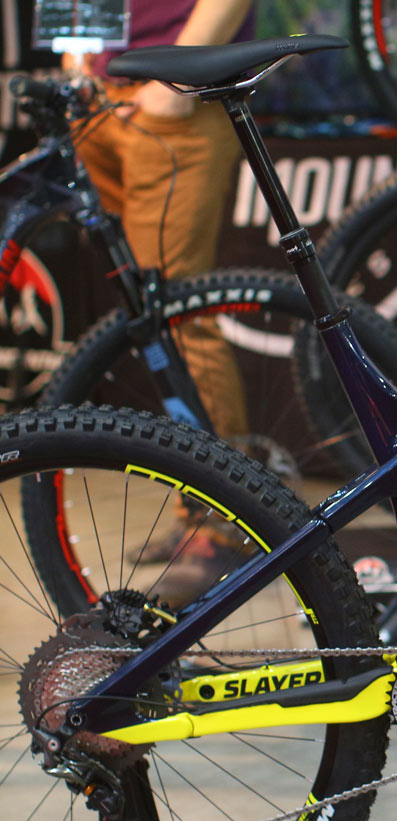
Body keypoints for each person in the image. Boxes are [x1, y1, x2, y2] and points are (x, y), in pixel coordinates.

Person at [67, 0, 257, 603]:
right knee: (145, 316)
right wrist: (77, 55)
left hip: (174, 96)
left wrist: (179, 78)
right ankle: (196, 509)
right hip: (101, 95)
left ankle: (226, 527)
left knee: (177, 316)